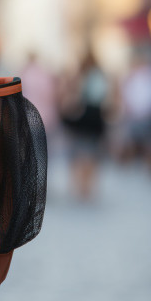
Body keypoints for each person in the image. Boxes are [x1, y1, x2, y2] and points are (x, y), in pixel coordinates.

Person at [62, 51, 109, 201]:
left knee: (80, 155)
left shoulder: (80, 76)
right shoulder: (99, 76)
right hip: (95, 120)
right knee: (91, 155)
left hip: (82, 120)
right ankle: (87, 187)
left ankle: (82, 187)